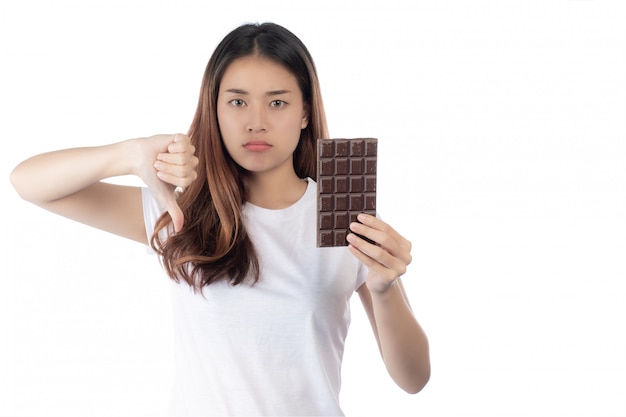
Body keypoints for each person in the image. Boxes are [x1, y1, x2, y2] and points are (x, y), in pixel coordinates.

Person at [10, 22, 430, 416]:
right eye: (237, 101)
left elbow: (414, 378)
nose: (256, 122)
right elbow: (27, 182)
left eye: (278, 102)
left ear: (304, 113)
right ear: (216, 110)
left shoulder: (345, 217)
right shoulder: (180, 211)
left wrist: (384, 288)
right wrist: (129, 154)